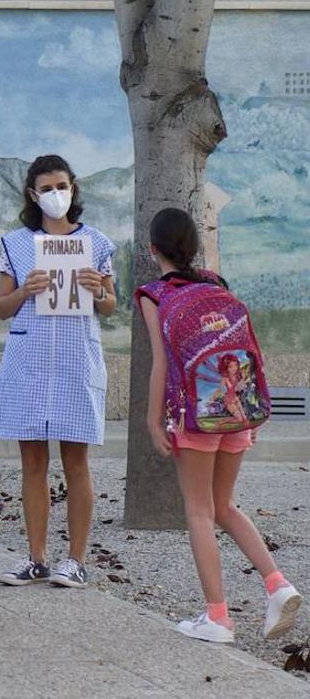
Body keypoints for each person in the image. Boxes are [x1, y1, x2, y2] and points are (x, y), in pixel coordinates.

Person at [137, 207, 300, 644]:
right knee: (225, 506)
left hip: (195, 418)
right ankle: (276, 584)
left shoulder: (155, 295)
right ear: (195, 248)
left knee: (200, 510)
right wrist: (250, 410)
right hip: (237, 411)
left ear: (154, 251)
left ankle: (218, 617)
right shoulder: (217, 286)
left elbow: (161, 364)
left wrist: (154, 423)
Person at [0, 155, 117, 588]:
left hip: (76, 359)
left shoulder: (96, 243)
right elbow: (2, 308)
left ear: (73, 188)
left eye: (62, 185)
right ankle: (36, 557)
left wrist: (99, 291)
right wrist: (27, 289)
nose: (55, 194)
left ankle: (75, 560)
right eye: (46, 188)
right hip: (30, 361)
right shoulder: (16, 244)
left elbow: (111, 304)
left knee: (76, 461)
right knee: (33, 461)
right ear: (32, 194)